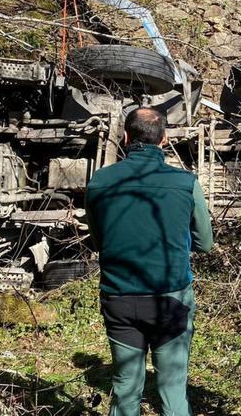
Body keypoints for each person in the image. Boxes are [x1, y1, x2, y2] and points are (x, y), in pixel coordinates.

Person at [85, 107, 214, 416]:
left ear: (126, 138)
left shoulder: (100, 181)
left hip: (120, 298)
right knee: (172, 390)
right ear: (165, 140)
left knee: (126, 389)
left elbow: (98, 241)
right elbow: (205, 243)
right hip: (170, 299)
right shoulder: (185, 182)